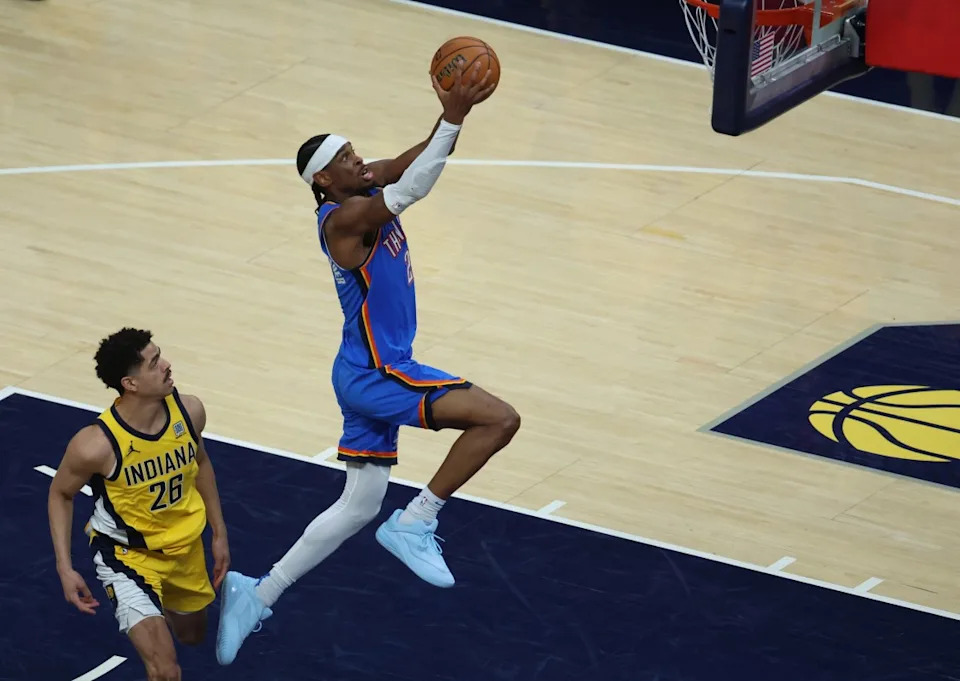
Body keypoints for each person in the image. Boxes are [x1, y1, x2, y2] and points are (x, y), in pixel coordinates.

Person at [215, 62, 520, 665]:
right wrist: (452, 120)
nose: (363, 161)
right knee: (498, 420)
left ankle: (257, 593)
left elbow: (407, 164)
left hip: (359, 366)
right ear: (324, 181)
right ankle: (418, 520)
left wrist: (452, 113)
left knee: (357, 505)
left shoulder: (357, 187)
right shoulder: (345, 220)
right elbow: (414, 187)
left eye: (358, 153)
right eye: (349, 158)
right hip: (379, 371)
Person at [48, 328, 232, 681]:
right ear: (129, 384)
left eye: (160, 355)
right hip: (127, 557)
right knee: (166, 671)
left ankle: (161, 610)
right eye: (153, 363)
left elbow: (202, 463)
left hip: (184, 547)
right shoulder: (96, 445)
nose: (166, 365)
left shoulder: (189, 411)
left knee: (192, 635)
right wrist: (64, 567)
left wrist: (219, 531)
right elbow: (60, 494)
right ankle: (142, 607)